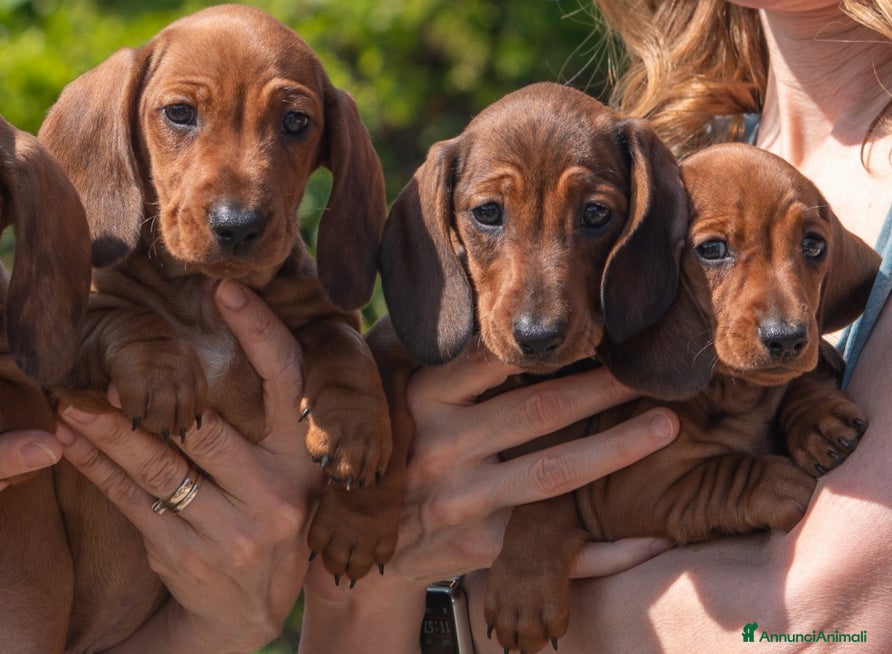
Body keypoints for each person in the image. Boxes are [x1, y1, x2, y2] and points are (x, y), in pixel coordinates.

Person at [299, 1, 892, 652]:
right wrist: (393, 556)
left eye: (593, 220)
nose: (538, 309)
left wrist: (465, 599)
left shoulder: (644, 180)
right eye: (490, 215)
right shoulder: (666, 159)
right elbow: (345, 618)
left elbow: (819, 624)